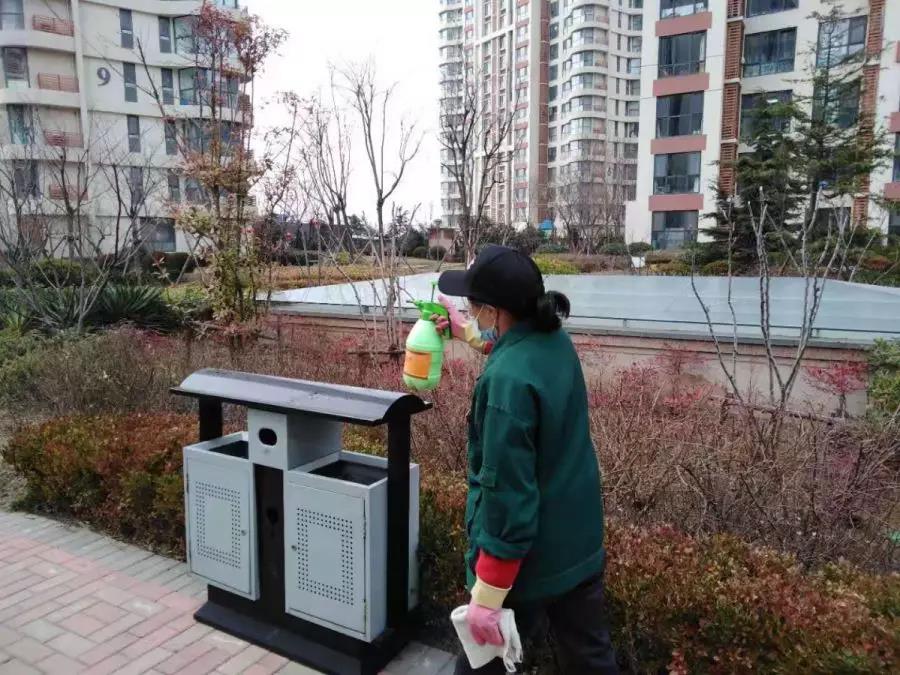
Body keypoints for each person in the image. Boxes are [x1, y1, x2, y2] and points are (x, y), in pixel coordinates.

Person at [435, 245, 617, 675]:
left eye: (473, 304)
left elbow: (506, 494)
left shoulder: (506, 384)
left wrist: (488, 594)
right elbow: (514, 351)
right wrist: (463, 331)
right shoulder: (554, 341)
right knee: (591, 660)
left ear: (495, 311)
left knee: (482, 665)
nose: (470, 309)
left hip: (529, 562)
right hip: (579, 544)